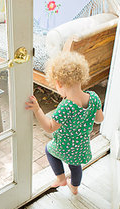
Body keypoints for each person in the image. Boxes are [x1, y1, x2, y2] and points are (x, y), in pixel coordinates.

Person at [25, 51, 104, 195]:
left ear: (59, 83)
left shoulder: (66, 106)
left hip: (64, 146)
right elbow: (100, 119)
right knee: (75, 166)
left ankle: (61, 178)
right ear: (81, 77)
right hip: (81, 145)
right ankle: (74, 188)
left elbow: (49, 128)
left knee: (49, 149)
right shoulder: (93, 97)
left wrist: (37, 110)